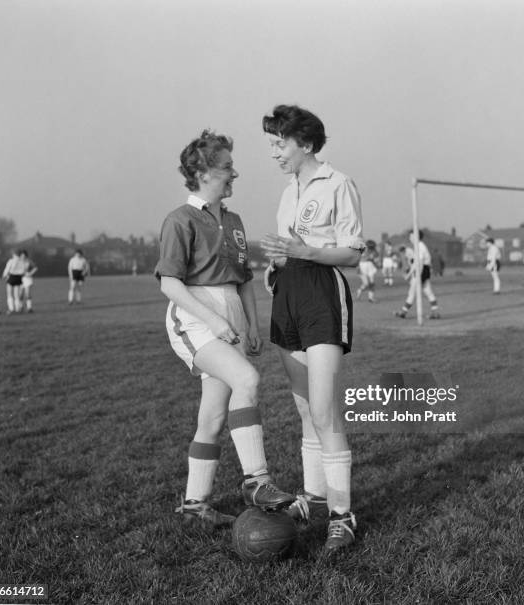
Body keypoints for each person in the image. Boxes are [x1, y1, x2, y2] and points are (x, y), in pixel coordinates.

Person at [155, 130, 294, 529]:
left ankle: (195, 505)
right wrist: (214, 320)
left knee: (213, 417)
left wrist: (251, 323)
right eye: (227, 167)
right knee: (247, 378)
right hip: (195, 316)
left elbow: (244, 280)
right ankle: (257, 481)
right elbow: (169, 283)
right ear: (202, 173)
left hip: (231, 312)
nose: (235, 174)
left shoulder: (233, 220)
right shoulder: (180, 220)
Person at [261, 104, 364, 552]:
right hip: (288, 295)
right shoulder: (288, 191)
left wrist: (305, 252)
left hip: (323, 292)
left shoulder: (338, 183)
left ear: (304, 142)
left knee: (323, 410)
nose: (274, 153)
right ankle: (313, 496)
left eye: (279, 143)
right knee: (304, 408)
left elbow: (352, 253)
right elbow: (290, 249)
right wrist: (279, 262)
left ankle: (342, 515)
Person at [395, 230, 440, 319]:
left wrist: (415, 275)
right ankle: (435, 312)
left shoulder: (420, 246)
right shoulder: (418, 246)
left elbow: (419, 263)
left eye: (411, 236)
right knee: (428, 291)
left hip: (422, 270)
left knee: (412, 292)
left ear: (416, 237)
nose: (410, 238)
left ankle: (403, 312)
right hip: (423, 270)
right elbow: (416, 263)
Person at [2, 249, 27, 314]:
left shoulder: (11, 261)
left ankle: (11, 309)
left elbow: (7, 269)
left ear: (14, 254)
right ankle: (17, 309)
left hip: (11, 277)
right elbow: (24, 271)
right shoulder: (22, 261)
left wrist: (4, 275)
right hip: (19, 278)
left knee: (9, 294)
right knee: (16, 295)